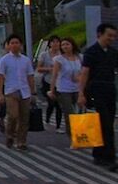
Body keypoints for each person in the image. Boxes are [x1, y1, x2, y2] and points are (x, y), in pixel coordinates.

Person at [77, 23, 118, 171]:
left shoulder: (113, 52)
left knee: (107, 123)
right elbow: (85, 73)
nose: (111, 39)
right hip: (95, 90)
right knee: (104, 124)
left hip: (110, 90)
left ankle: (99, 153)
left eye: (114, 36)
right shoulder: (91, 52)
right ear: (100, 34)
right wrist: (81, 93)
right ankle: (109, 157)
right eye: (109, 35)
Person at [0, 34, 37, 151]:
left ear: (21, 45)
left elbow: (30, 77)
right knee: (13, 115)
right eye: (12, 43)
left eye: (17, 43)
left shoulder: (26, 60)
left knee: (24, 118)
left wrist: (33, 92)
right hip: (11, 91)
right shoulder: (4, 60)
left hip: (25, 91)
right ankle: (10, 134)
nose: (14, 45)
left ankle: (21, 141)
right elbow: (1, 77)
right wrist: (0, 94)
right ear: (8, 46)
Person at [49, 37, 82, 139]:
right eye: (63, 45)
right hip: (64, 89)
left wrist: (79, 78)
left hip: (78, 88)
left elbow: (84, 72)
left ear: (72, 45)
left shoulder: (80, 57)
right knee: (69, 114)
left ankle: (81, 135)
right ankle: (72, 137)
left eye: (67, 44)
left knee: (79, 113)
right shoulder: (59, 59)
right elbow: (54, 75)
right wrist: (52, 90)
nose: (65, 47)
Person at [37, 36, 62, 131]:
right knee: (51, 103)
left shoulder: (62, 55)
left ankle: (58, 126)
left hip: (59, 83)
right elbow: (39, 68)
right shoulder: (44, 55)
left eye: (57, 42)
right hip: (47, 82)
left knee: (59, 105)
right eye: (53, 42)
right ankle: (47, 120)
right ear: (49, 44)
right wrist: (51, 69)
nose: (55, 44)